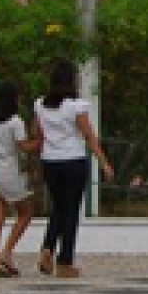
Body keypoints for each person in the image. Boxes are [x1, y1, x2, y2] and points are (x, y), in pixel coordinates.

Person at [33, 61, 113, 279]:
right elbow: (88, 135)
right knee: (71, 211)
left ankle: (48, 247)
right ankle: (65, 260)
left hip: (50, 161)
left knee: (58, 208)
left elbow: (38, 134)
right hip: (73, 161)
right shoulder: (76, 106)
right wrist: (104, 162)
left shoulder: (40, 104)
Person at [0, 81, 38, 279]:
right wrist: (40, 141)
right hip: (9, 172)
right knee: (26, 211)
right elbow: (23, 147)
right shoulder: (15, 122)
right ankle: (7, 251)